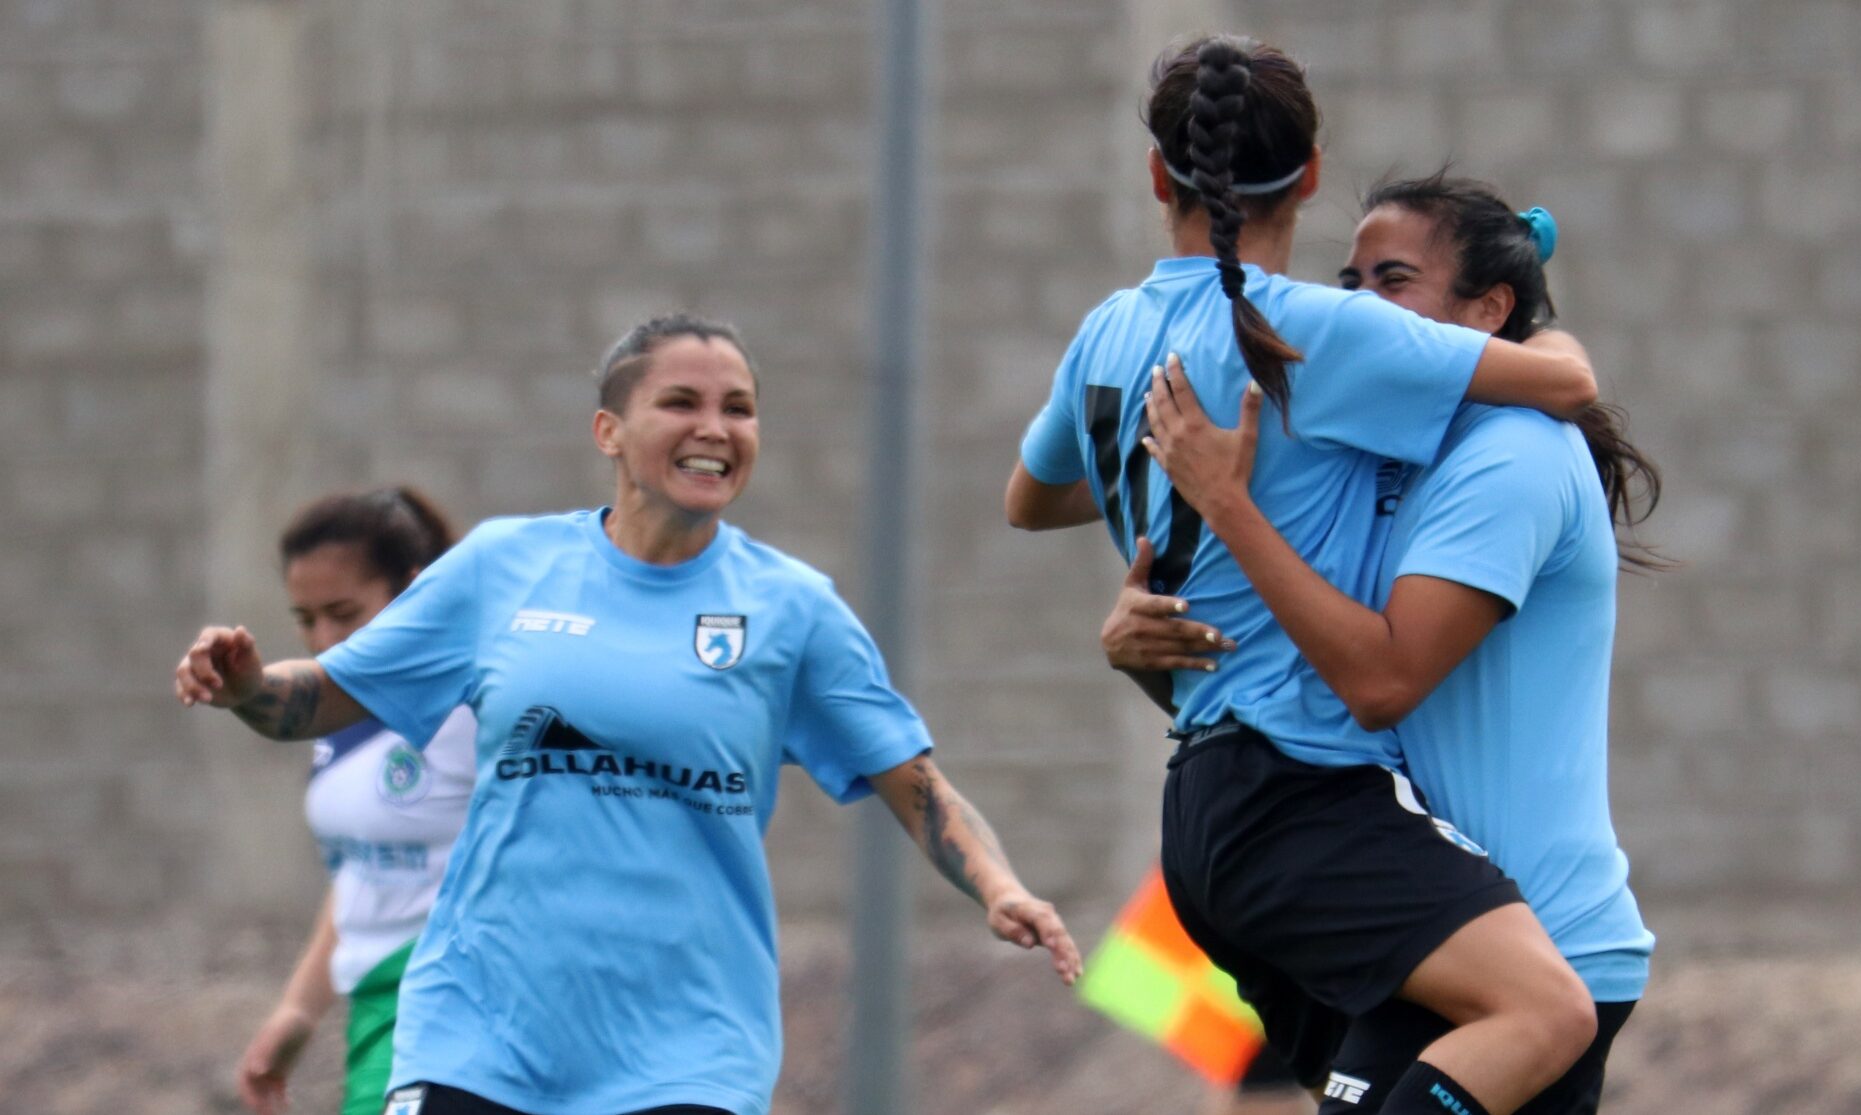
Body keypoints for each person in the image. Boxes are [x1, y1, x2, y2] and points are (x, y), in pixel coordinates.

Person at [178, 313, 1081, 1115]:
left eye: (739, 408)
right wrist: (253, 686)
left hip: (687, 1050)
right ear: (609, 430)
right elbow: (324, 697)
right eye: (681, 402)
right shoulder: (503, 566)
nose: (714, 429)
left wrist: (1001, 888)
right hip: (477, 1031)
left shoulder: (791, 608)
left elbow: (916, 783)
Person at [1008, 35, 1600, 1115]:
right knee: (1545, 1013)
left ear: (1156, 176)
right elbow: (1565, 380)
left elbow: (1030, 495)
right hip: (1300, 792)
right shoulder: (1315, 331)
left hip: (1201, 807)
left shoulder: (1107, 331)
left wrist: (1161, 476)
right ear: (1312, 173)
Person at [1111, 175, 1662, 1114]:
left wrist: (1231, 506)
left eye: (1392, 278)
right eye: (1349, 278)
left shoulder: (1515, 453)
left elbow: (1381, 680)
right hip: (1431, 932)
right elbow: (1302, 687)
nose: (1357, 305)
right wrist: (1157, 654)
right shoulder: (1386, 457)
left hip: (1535, 954)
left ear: (1488, 309)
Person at [233, 486, 474, 1115]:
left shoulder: (475, 708)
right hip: (374, 1011)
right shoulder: (337, 725)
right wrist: (297, 1011)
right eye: (306, 619)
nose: (324, 637)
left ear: (415, 591)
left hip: (464, 1002)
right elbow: (361, 875)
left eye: (344, 612)